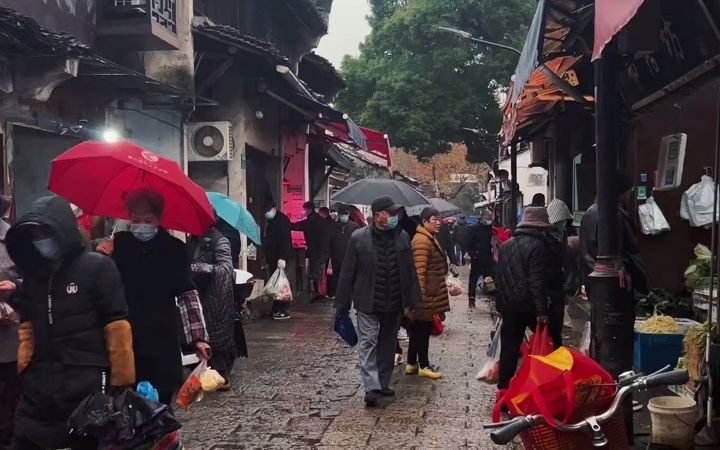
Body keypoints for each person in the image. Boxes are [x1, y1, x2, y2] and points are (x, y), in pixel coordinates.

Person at [7, 196, 135, 450]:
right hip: (40, 390)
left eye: (45, 231)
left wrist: (120, 384)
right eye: (34, 234)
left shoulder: (98, 268)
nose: (40, 239)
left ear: (62, 229)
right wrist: (24, 367)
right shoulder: (35, 274)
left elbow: (116, 326)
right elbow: (29, 325)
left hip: (86, 389)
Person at [97, 188, 210, 405]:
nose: (141, 225)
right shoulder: (118, 245)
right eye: (135, 219)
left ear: (158, 219)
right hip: (126, 340)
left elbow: (186, 293)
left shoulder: (174, 250)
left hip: (162, 338)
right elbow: (102, 288)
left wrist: (198, 338)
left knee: (162, 406)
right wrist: (101, 258)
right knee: (126, 406)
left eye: (147, 219)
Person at [335, 195, 421, 407]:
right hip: (367, 301)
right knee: (368, 343)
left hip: (394, 303)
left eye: (395, 213)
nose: (394, 216)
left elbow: (410, 271)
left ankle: (383, 383)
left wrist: (413, 301)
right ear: (377, 216)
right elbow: (347, 273)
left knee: (388, 345)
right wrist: (342, 306)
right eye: (390, 213)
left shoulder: (402, 238)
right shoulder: (358, 238)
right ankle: (371, 387)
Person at [494, 207, 561, 390]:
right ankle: (550, 385)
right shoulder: (537, 246)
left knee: (509, 349)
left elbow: (499, 276)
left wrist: (500, 305)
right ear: (542, 228)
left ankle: (504, 389)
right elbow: (536, 281)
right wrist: (542, 313)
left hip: (509, 306)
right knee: (551, 342)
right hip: (529, 305)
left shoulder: (507, 244)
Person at [580, 174, 648, 295]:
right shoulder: (614, 215)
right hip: (616, 282)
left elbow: (586, 251)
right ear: (623, 193)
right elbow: (625, 251)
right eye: (630, 191)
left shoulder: (588, 214)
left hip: (593, 280)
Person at [188, 225, 237, 388]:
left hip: (215, 299)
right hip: (195, 295)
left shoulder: (220, 240)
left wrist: (202, 268)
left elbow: (225, 268)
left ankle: (219, 373)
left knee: (217, 338)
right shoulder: (192, 239)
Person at [406, 207, 450, 380]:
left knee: (418, 329)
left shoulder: (428, 238)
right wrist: (420, 298)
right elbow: (419, 272)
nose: (438, 222)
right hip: (425, 296)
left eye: (439, 219)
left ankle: (411, 363)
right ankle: (423, 365)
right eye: (434, 219)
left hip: (429, 293)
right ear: (424, 222)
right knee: (422, 330)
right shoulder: (422, 241)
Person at [0, 196, 20, 450]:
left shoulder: (14, 240)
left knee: (10, 396)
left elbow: (33, 278)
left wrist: (15, 289)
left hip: (10, 333)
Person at [546, 199, 575, 346]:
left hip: (559, 286)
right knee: (550, 328)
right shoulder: (544, 239)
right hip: (548, 288)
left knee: (556, 327)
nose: (563, 225)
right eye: (561, 221)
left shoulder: (561, 238)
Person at [292, 202, 330, 301]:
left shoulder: (312, 220)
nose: (303, 211)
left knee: (316, 272)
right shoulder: (319, 220)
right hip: (321, 251)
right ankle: (319, 293)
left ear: (309, 209)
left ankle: (318, 294)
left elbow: (299, 226)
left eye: (304, 209)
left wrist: (285, 224)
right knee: (319, 272)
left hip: (316, 251)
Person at [264, 202, 293, 320]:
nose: (266, 214)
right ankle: (276, 308)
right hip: (273, 258)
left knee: (282, 285)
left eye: (268, 211)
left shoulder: (282, 221)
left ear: (274, 209)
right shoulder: (272, 221)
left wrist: (283, 257)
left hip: (280, 259)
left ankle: (283, 309)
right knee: (276, 285)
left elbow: (285, 240)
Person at [328, 205, 360, 299]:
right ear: (339, 214)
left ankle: (348, 296)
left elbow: (358, 242)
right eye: (343, 214)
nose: (344, 216)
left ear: (349, 214)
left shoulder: (354, 226)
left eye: (346, 214)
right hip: (336, 258)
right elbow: (328, 242)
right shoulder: (332, 226)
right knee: (337, 278)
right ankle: (338, 296)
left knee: (349, 278)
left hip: (350, 258)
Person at [467, 209, 494, 308]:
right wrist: (472, 254)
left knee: (490, 278)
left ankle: (490, 296)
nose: (489, 220)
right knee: (474, 278)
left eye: (490, 218)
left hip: (488, 257)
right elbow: (469, 243)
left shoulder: (491, 229)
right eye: (488, 218)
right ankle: (471, 299)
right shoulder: (474, 228)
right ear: (482, 217)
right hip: (477, 258)